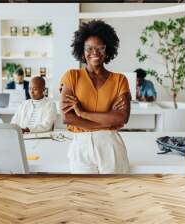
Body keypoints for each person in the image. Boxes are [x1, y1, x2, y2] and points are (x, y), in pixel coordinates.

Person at [60, 20, 131, 174]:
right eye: (89, 48)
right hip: (81, 147)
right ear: (82, 51)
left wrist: (83, 113)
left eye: (100, 47)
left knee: (115, 194)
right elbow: (67, 117)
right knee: (84, 196)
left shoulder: (120, 80)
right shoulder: (72, 76)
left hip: (110, 145)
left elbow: (122, 118)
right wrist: (107, 121)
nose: (95, 52)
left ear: (107, 50)